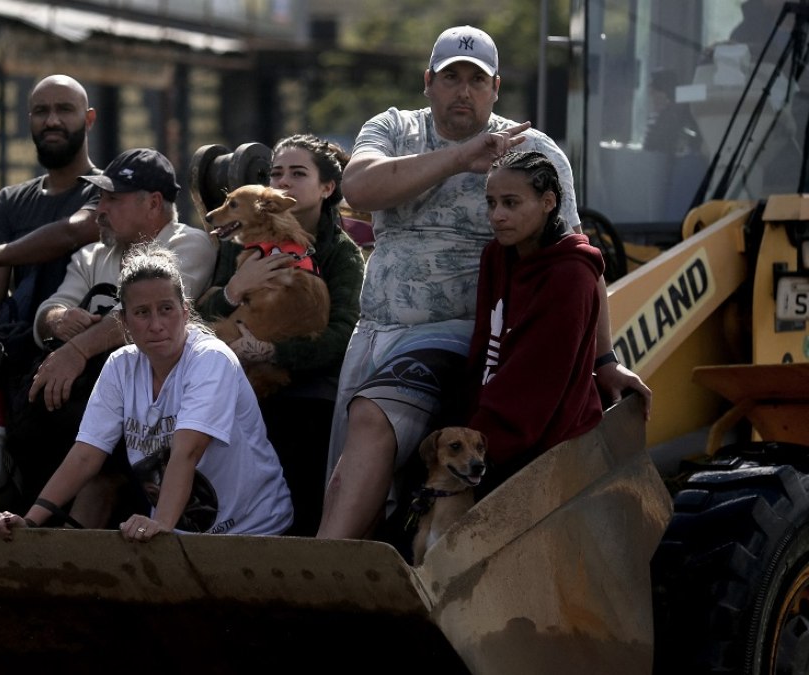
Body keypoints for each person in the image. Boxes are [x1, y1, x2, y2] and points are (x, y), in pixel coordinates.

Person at [317, 25, 652, 541]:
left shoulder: (531, 152)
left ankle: (326, 566)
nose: (463, 91)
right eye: (451, 77)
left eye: (477, 80)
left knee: (372, 417)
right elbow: (359, 185)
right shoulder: (394, 127)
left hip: (462, 333)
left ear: (496, 88)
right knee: (343, 464)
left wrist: (604, 361)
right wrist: (461, 156)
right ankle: (346, 575)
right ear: (428, 82)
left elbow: (580, 258)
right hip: (375, 329)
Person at [0, 243, 293, 540]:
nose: (157, 324)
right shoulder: (120, 366)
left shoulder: (210, 358)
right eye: (142, 313)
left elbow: (188, 451)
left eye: (166, 309)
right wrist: (29, 520)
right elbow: (85, 455)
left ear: (185, 312)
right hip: (178, 534)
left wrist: (159, 524)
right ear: (124, 323)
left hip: (256, 531)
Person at [13, 148, 216, 503]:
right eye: (100, 197)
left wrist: (77, 349)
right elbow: (51, 308)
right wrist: (59, 320)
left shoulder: (188, 243)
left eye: (112, 199)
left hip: (159, 405)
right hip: (87, 395)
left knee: (94, 455)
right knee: (27, 417)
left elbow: (146, 316)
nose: (99, 209)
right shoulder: (93, 254)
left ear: (153, 203)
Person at [195, 134, 363, 536]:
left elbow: (342, 336)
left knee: (297, 418)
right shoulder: (241, 241)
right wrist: (236, 288)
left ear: (327, 188)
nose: (284, 181)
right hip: (236, 375)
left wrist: (272, 350)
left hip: (307, 388)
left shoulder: (342, 253)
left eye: (297, 173)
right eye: (276, 173)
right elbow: (198, 316)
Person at [0, 74, 103, 379]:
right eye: (41, 111)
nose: (52, 121)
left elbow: (72, 231)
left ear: (89, 119)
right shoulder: (8, 202)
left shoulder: (108, 192)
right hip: (21, 367)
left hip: (88, 362)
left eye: (65, 110)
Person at [468, 151, 604, 494]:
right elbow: (483, 347)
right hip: (486, 435)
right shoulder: (498, 255)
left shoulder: (571, 274)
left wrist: (474, 447)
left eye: (511, 203)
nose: (497, 216)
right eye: (492, 203)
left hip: (543, 446)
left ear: (547, 202)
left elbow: (534, 383)